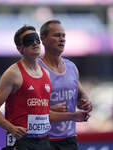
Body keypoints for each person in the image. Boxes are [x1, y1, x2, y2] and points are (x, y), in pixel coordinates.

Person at [0, 25, 89, 150]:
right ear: (20, 48)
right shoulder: (13, 74)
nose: (35, 43)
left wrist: (69, 114)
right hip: (21, 142)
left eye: (36, 39)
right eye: (29, 40)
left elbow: (39, 111)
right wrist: (11, 128)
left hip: (44, 141)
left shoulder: (45, 74)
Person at [39, 20, 93, 150]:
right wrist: (73, 115)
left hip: (69, 140)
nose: (62, 39)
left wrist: (86, 103)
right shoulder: (36, 70)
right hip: (45, 141)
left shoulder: (71, 67)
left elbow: (80, 97)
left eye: (63, 36)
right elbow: (34, 113)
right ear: (43, 39)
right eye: (57, 35)